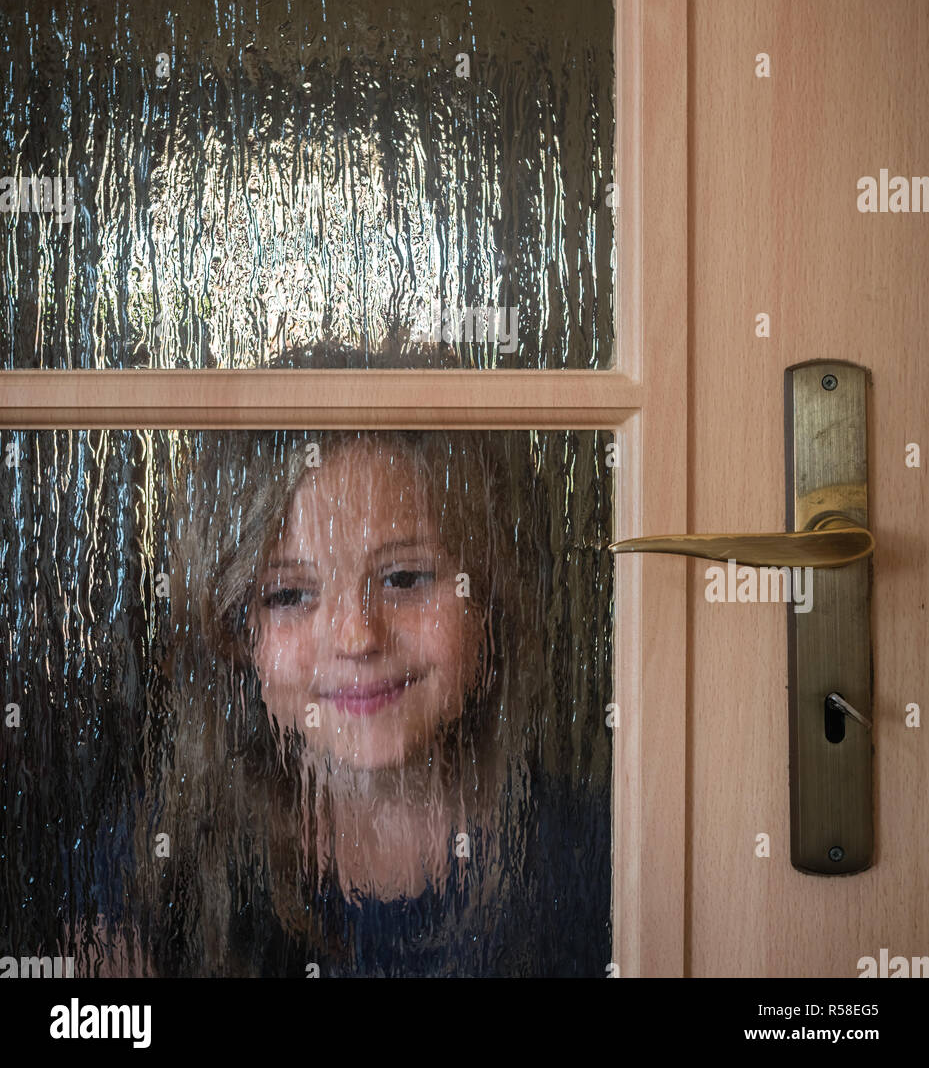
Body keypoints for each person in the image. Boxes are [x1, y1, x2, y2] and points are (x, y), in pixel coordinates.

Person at [73, 343, 611, 977]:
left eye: (405, 578)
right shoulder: (157, 866)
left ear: (486, 601)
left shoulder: (599, 859)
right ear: (236, 635)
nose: (356, 637)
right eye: (290, 594)